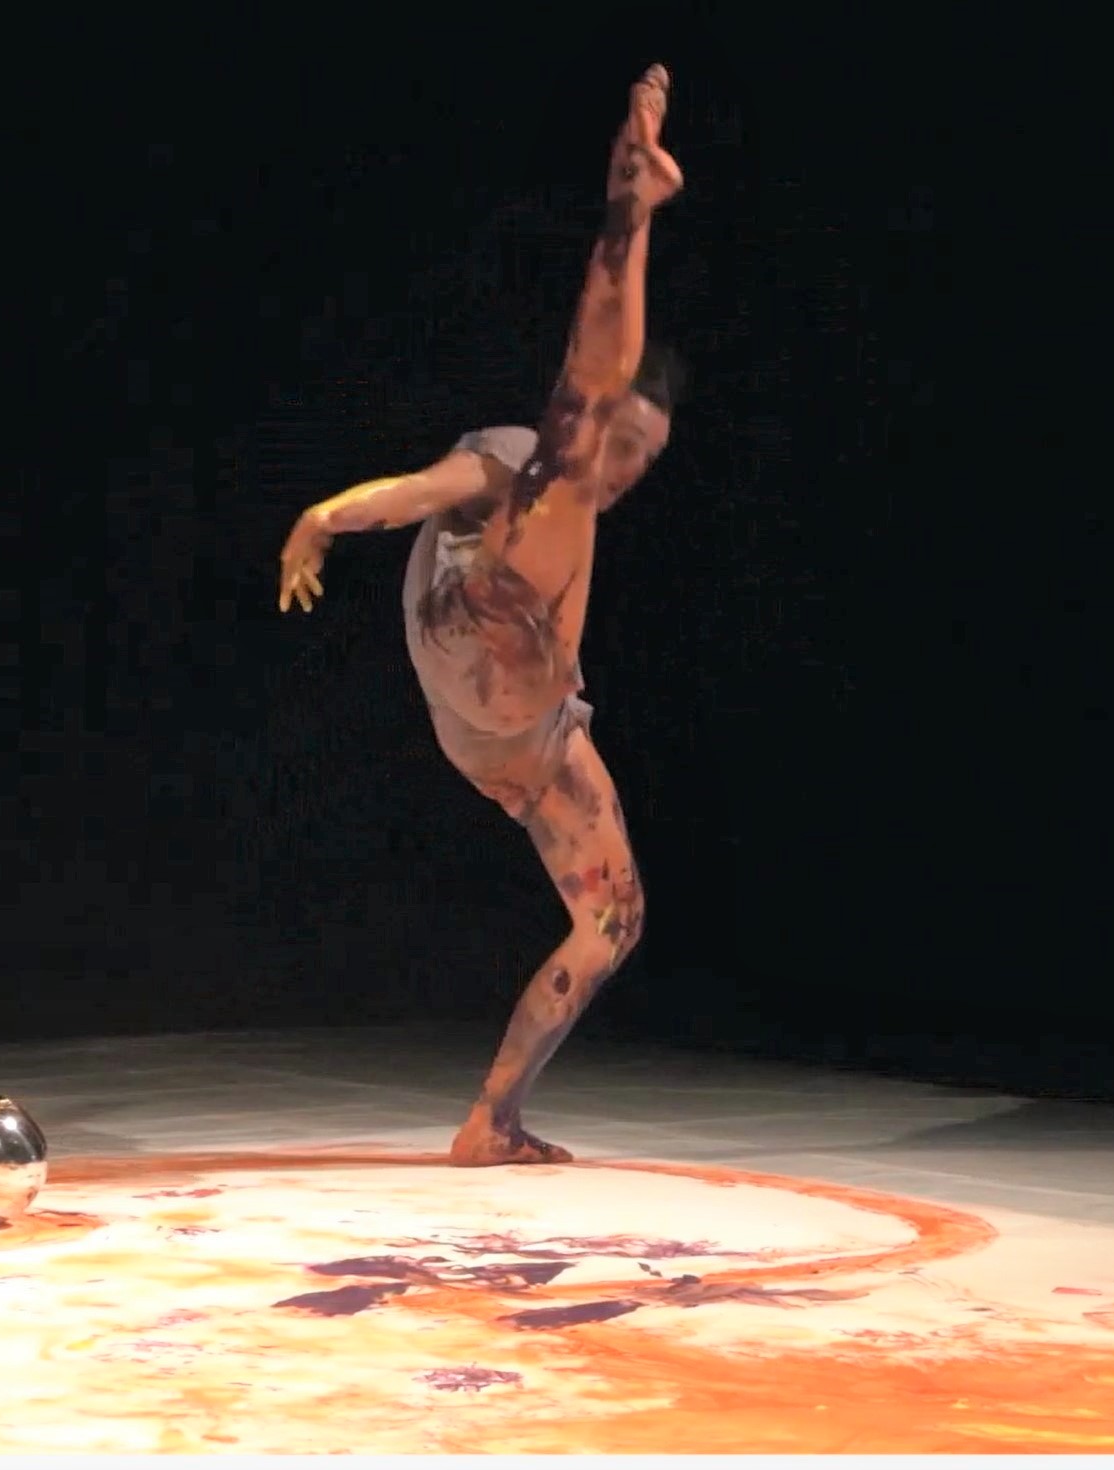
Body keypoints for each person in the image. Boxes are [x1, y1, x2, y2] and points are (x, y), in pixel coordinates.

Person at [277, 64, 685, 1166]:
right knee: (570, 431)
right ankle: (630, 207)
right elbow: (421, 492)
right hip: (472, 638)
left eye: (645, 458)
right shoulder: (524, 464)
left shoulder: (571, 524)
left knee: (614, 919)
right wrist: (325, 517)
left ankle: (489, 1121)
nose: (626, 469)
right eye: (625, 444)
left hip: (520, 730)